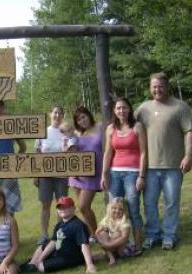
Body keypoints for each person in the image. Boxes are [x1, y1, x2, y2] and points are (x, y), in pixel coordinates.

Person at [135, 72, 192, 250]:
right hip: (149, 167)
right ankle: (153, 234)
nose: (157, 90)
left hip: (173, 166)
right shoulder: (143, 109)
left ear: (167, 87)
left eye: (160, 86)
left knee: (171, 202)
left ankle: (169, 235)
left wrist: (189, 155)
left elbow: (189, 132)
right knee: (149, 203)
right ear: (150, 88)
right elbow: (128, 126)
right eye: (154, 86)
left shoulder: (180, 107)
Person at [101, 97, 147, 254]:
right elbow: (108, 153)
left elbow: (143, 153)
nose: (121, 111)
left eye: (124, 107)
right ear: (114, 111)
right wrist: (104, 174)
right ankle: (117, 245)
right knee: (114, 210)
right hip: (114, 173)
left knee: (133, 209)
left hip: (133, 174)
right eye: (118, 108)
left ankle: (138, 245)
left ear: (130, 109)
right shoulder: (110, 129)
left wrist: (141, 175)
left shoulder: (137, 127)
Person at [21, 196, 96, 274]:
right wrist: (40, 258)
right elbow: (54, 242)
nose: (62, 210)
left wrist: (90, 265)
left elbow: (84, 245)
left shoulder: (78, 225)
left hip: (70, 257)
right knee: (43, 245)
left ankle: (36, 264)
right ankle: (32, 264)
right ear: (57, 210)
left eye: (66, 207)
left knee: (41, 267)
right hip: (58, 252)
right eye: (60, 208)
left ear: (73, 208)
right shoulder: (59, 225)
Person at [34, 106, 69, 245]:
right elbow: (37, 154)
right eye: (55, 112)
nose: (57, 115)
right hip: (45, 176)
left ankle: (59, 232)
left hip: (62, 175)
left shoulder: (66, 132)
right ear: (50, 114)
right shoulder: (43, 131)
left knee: (61, 205)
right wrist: (36, 175)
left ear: (63, 115)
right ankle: (44, 234)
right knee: (45, 205)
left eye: (60, 113)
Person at [68, 106, 103, 238]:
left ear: (89, 115)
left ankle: (96, 233)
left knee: (83, 206)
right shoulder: (77, 133)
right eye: (79, 119)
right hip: (78, 174)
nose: (82, 121)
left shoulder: (100, 127)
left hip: (94, 173)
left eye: (84, 117)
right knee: (84, 208)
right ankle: (92, 234)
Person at [95, 197, 133, 266]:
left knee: (117, 234)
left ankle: (113, 255)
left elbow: (124, 238)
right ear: (110, 209)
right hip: (111, 246)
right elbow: (97, 232)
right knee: (102, 233)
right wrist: (104, 229)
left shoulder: (124, 221)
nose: (117, 211)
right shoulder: (107, 219)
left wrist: (109, 245)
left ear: (124, 211)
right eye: (114, 208)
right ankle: (111, 258)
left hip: (124, 248)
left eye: (120, 209)